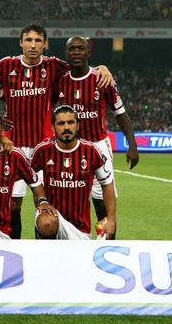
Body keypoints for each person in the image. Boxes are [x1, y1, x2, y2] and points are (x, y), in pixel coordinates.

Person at [0, 23, 113, 237]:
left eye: (38, 41)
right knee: (12, 204)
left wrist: (101, 68)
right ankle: (15, 250)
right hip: (14, 146)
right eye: (28, 40)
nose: (32, 45)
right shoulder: (6, 65)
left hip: (45, 147)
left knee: (48, 203)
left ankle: (49, 247)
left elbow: (81, 69)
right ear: (21, 42)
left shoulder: (53, 66)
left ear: (45, 44)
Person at [54, 36, 138, 226]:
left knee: (102, 206)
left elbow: (121, 113)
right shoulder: (59, 82)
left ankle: (105, 248)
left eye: (81, 48)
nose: (76, 52)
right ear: (66, 53)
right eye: (72, 49)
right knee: (69, 204)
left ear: (88, 52)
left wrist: (132, 145)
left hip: (98, 146)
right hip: (69, 149)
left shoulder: (102, 79)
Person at [31, 105, 116, 240]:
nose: (66, 127)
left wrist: (111, 219)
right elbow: (24, 174)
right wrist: (41, 200)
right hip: (52, 217)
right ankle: (46, 255)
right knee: (47, 223)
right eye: (61, 123)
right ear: (53, 127)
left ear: (77, 126)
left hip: (81, 227)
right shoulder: (43, 151)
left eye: (70, 122)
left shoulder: (92, 152)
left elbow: (107, 184)